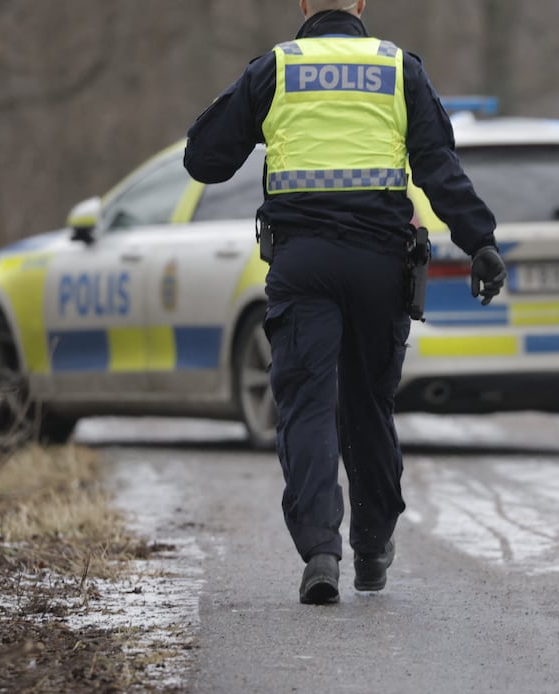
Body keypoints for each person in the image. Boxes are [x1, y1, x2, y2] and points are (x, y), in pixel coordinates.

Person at [184, 0, 506, 605]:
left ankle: (321, 551)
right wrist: (480, 242)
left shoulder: (276, 70)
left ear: (304, 5)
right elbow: (438, 167)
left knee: (306, 404)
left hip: (302, 263)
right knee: (368, 407)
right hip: (379, 264)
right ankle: (373, 546)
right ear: (361, 4)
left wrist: (249, 111)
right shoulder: (398, 68)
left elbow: (203, 161)